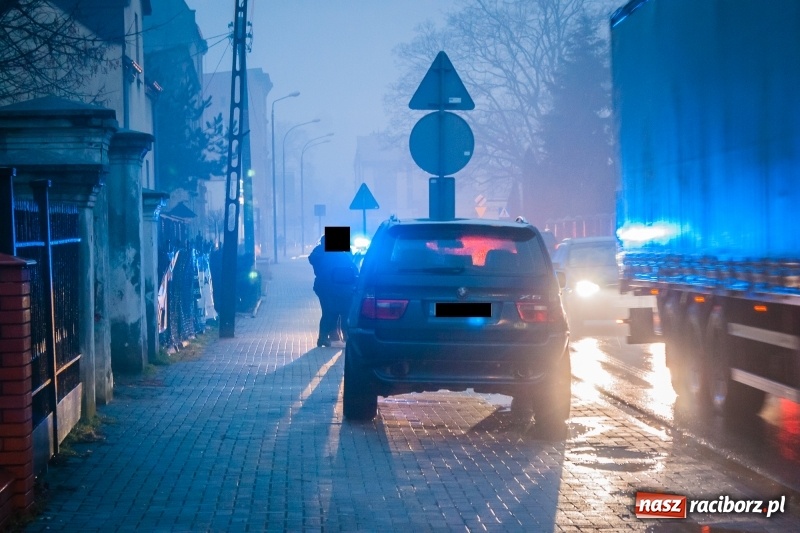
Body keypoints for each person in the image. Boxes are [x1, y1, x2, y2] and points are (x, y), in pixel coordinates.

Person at [308, 235, 359, 347]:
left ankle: (325, 337)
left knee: (328, 312)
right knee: (344, 311)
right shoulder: (340, 255)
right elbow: (353, 270)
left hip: (324, 287)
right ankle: (344, 336)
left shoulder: (319, 254)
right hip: (339, 288)